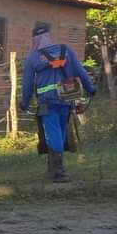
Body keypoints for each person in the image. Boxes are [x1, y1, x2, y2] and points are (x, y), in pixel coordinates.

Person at [19, 22, 96, 182]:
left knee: (52, 133)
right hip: (66, 99)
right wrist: (90, 88)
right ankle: (54, 169)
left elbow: (27, 84)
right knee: (60, 131)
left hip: (47, 102)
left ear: (35, 39)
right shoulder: (66, 50)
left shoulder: (34, 57)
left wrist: (24, 103)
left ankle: (58, 172)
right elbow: (80, 71)